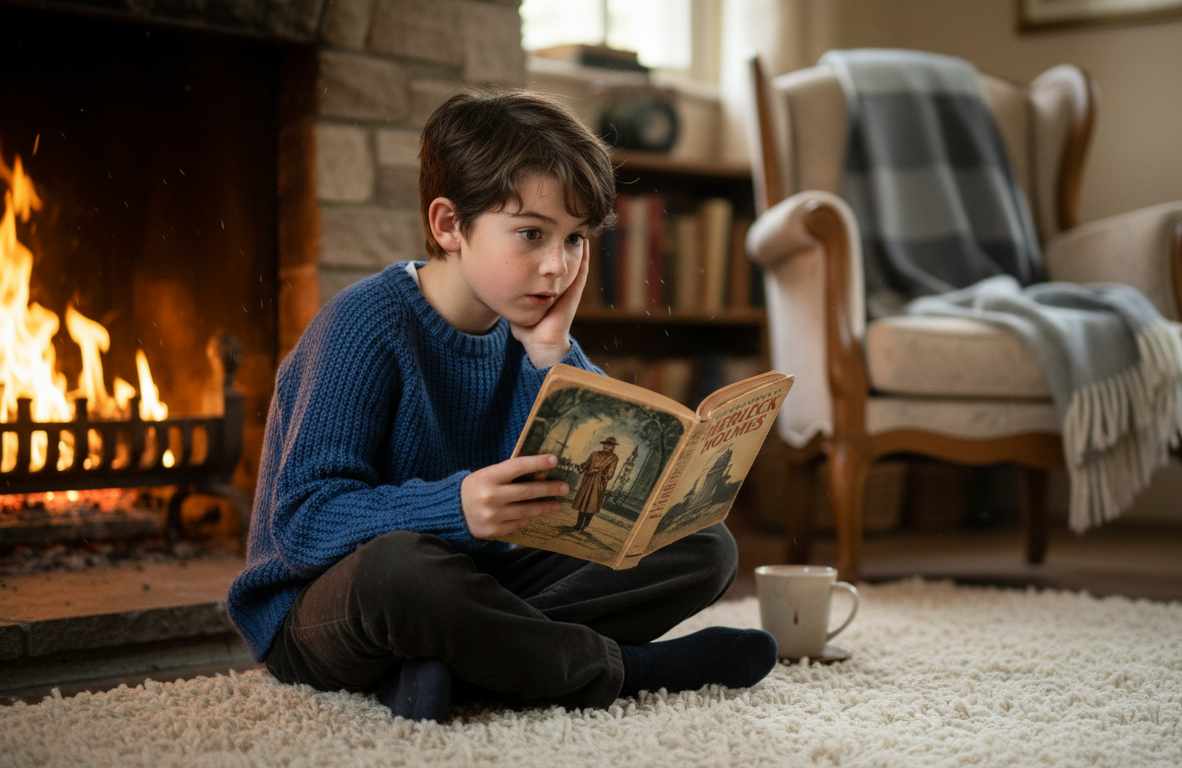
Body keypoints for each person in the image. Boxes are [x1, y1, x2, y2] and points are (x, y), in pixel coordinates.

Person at [225, 90, 776, 722]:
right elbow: (302, 521)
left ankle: (460, 663)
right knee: (401, 572)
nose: (556, 267)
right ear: (448, 225)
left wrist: (552, 354)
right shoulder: (364, 324)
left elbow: (588, 483)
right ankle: (624, 670)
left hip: (479, 582)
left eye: (575, 241)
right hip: (328, 607)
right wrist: (453, 507)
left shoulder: (532, 329)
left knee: (704, 545)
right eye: (532, 234)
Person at [571, 436, 619, 531]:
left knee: (592, 503)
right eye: (605, 444)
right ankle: (578, 524)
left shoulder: (613, 458)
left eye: (609, 445)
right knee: (583, 501)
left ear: (613, 447)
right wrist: (580, 468)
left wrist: (603, 477)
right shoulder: (594, 454)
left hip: (599, 482)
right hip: (588, 480)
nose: (606, 446)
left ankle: (585, 525)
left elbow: (610, 473)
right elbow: (586, 464)